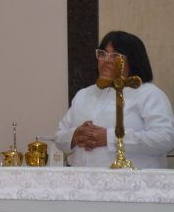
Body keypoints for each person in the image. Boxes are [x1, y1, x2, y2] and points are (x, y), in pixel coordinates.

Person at [55, 30, 174, 168]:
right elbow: (59, 136)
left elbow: (166, 139)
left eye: (115, 55)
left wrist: (110, 138)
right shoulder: (84, 95)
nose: (106, 60)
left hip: (133, 185)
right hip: (83, 183)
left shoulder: (149, 94)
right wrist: (75, 136)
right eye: (102, 54)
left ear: (134, 60)